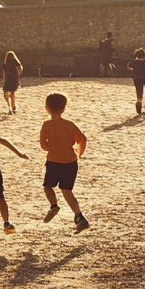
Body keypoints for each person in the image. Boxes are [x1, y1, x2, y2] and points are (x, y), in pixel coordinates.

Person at [40, 92, 89, 231]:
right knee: (67, 190)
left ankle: (54, 206)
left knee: (48, 186)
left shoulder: (47, 125)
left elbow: (43, 145)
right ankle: (79, 216)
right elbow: (82, 139)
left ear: (47, 108)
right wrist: (80, 152)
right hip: (70, 162)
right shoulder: (70, 125)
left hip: (54, 161)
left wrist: (51, 147)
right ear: (64, 108)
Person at [125, 49, 145, 117]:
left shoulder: (133, 62)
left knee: (139, 90)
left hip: (137, 78)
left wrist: (133, 71)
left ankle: (139, 101)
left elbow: (128, 67)